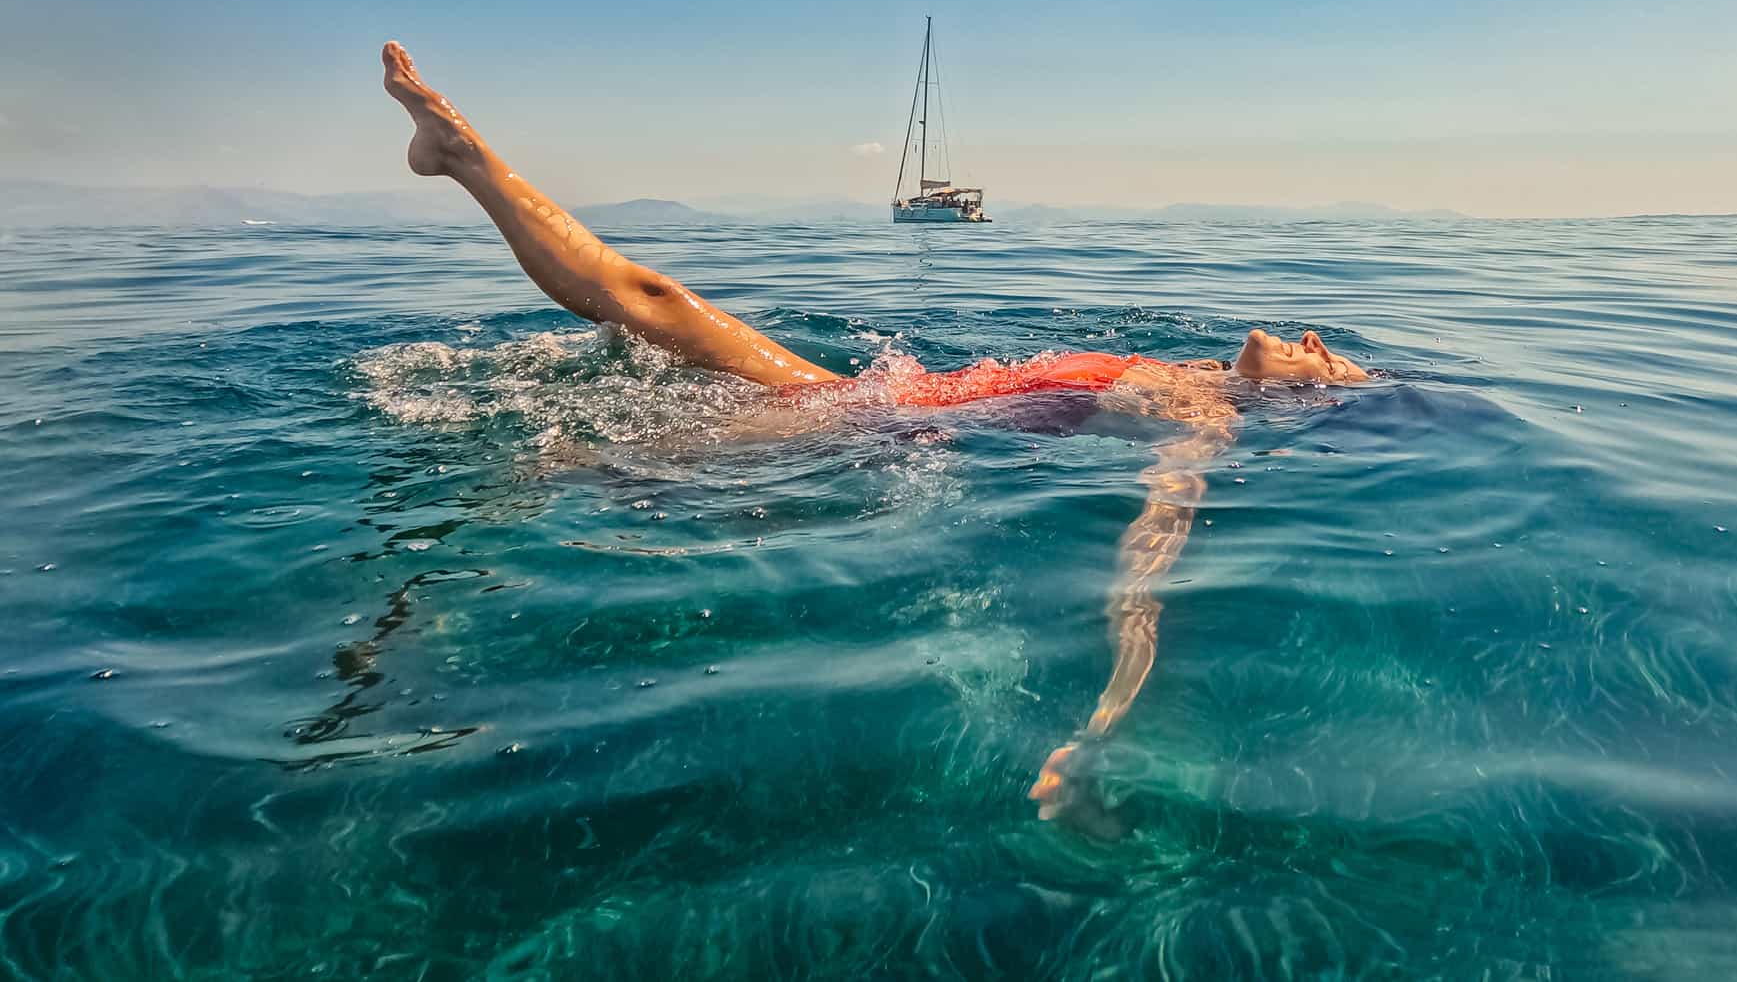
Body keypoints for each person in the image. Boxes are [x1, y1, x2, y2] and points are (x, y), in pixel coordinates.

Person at [380, 40, 1372, 828]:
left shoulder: (1200, 418)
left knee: (585, 464)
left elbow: (1145, 573)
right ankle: (462, 155)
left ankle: (429, 597)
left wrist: (1102, 726)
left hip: (868, 431)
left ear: (1307, 400)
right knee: (654, 298)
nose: (1317, 340)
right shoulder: (1186, 370)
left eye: (1331, 364)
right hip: (878, 394)